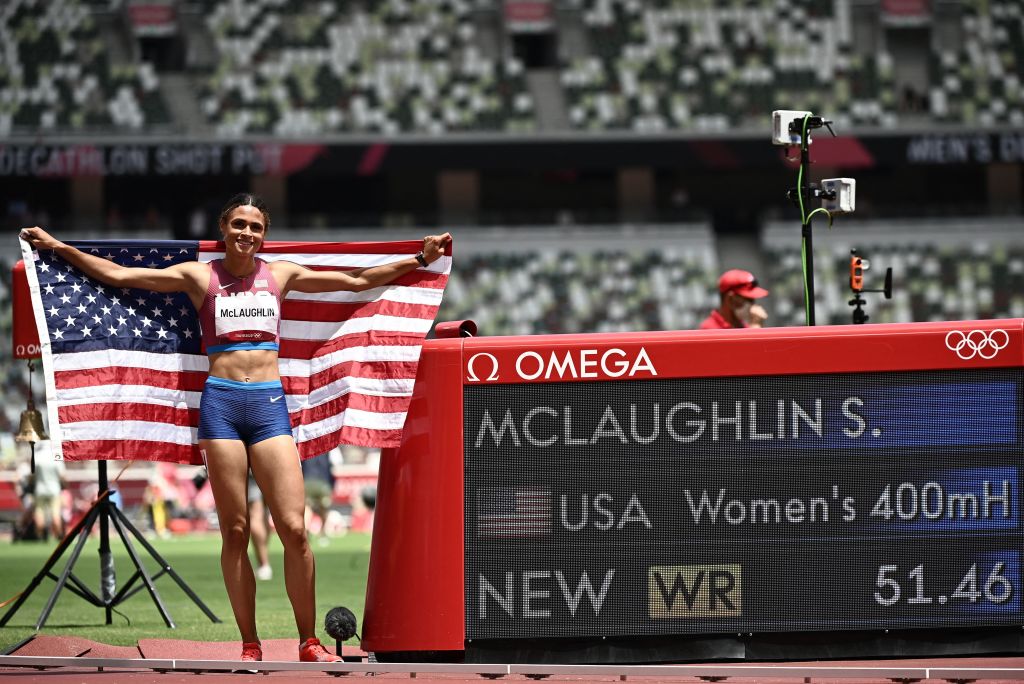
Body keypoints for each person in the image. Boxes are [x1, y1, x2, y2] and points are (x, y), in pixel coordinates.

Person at [20, 193, 451, 665]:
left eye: (257, 227)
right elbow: (119, 275)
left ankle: (308, 641)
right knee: (236, 530)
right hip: (221, 405)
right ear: (224, 229)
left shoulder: (280, 273)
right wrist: (57, 247)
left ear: (264, 233)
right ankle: (250, 643)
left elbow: (356, 280)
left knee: (294, 529)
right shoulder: (198, 276)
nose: (248, 233)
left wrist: (418, 259)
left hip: (268, 405)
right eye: (240, 224)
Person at [699, 269, 769, 330]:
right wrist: (755, 329)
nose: (752, 306)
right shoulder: (709, 329)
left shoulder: (744, 325)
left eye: (752, 300)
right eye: (747, 299)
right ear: (730, 299)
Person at [30, 441, 66, 541]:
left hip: (40, 489)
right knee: (55, 513)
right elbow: (62, 475)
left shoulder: (36, 457)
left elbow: (31, 475)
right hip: (54, 489)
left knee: (39, 512)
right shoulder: (56, 457)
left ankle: (39, 536)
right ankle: (59, 536)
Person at [301, 453, 335, 547]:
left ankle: (306, 532)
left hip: (308, 481)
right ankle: (323, 533)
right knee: (324, 509)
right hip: (322, 482)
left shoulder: (304, 445)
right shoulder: (326, 449)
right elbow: (330, 467)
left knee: (307, 507)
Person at [248, 474, 273, 580]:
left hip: (249, 468)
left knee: (256, 515)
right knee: (264, 514)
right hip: (270, 466)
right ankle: (263, 563)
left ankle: (264, 564)